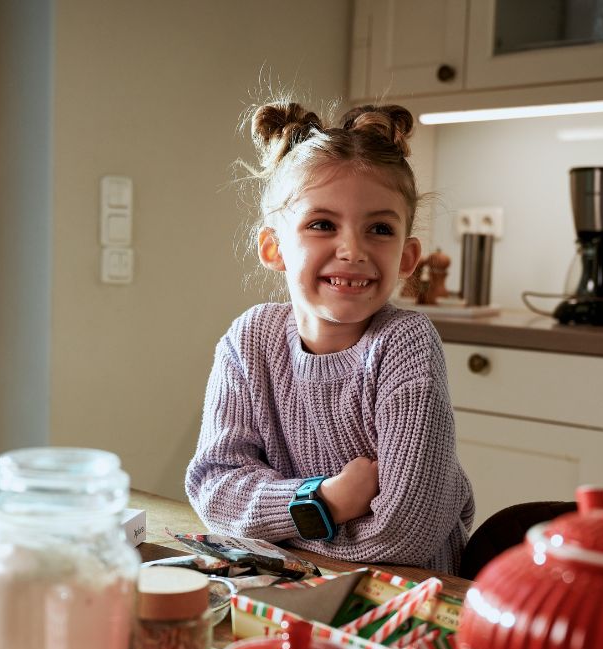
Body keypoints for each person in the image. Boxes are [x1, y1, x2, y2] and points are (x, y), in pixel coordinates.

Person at [184, 100, 474, 573]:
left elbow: (404, 536)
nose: (353, 250)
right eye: (322, 224)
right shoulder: (249, 339)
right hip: (290, 591)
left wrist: (278, 537)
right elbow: (214, 490)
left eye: (380, 229)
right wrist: (325, 501)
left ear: (407, 257)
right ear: (274, 246)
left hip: (404, 600)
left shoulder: (405, 344)